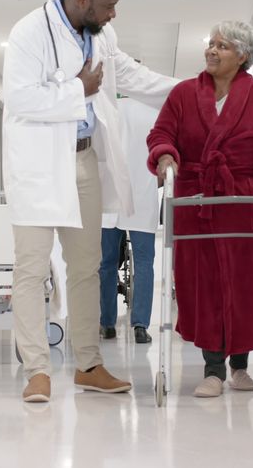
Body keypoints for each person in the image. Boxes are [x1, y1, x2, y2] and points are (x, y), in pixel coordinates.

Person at [2, 0, 177, 403]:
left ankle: (88, 364)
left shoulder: (102, 34)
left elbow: (129, 74)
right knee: (32, 270)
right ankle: (37, 371)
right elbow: (20, 100)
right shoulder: (29, 32)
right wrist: (77, 89)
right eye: (108, 4)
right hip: (39, 167)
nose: (114, 12)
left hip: (83, 162)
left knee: (86, 267)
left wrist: (186, 88)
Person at [147, 20, 253, 398]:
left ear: (243, 56)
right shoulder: (184, 94)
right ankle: (213, 370)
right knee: (203, 287)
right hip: (198, 202)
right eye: (211, 44)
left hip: (245, 201)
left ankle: (241, 367)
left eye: (222, 46)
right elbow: (161, 134)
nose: (212, 51)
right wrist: (165, 156)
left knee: (248, 285)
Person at [98, 97, 162, 344]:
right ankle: (140, 326)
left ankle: (106, 324)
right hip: (141, 196)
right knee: (145, 262)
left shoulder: (103, 107)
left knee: (107, 263)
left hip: (108, 193)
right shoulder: (154, 110)